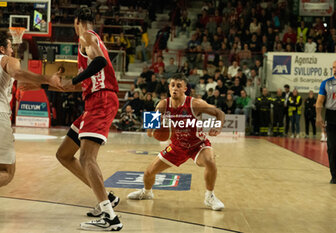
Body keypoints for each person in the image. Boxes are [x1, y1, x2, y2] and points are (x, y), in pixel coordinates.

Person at [54, 7, 123, 231]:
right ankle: (108, 198)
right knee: (64, 154)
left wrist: (74, 79)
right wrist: (69, 86)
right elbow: (93, 77)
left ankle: (110, 217)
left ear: (77, 23)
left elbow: (100, 62)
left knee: (86, 158)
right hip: (94, 101)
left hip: (101, 101)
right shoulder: (93, 38)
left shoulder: (86, 36)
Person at [127, 74, 225, 211]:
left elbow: (220, 113)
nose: (175, 88)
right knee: (148, 173)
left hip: (197, 145)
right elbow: (149, 132)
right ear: (168, 87)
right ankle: (147, 192)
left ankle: (210, 196)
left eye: (179, 86)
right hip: (176, 146)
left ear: (185, 88)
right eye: (172, 85)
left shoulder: (195, 104)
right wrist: (155, 130)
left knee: (210, 161)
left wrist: (218, 126)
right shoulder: (162, 105)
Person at [0, 31, 60, 188]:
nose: (12, 50)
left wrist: (47, 84)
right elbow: (18, 74)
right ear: (2, 49)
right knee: (7, 171)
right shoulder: (7, 60)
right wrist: (47, 78)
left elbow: (20, 84)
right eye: (9, 47)